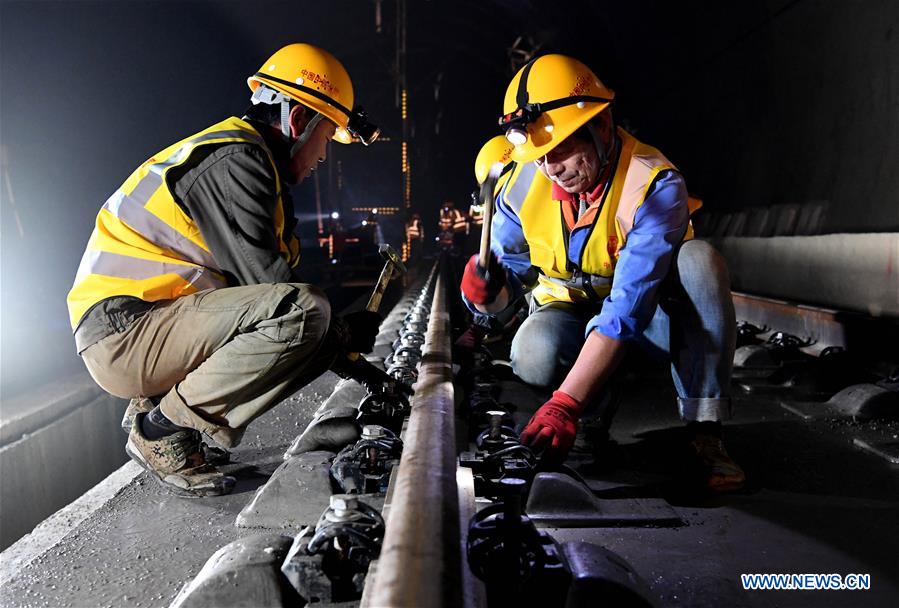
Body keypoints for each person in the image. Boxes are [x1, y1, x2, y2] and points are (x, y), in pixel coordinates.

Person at [67, 43, 386, 497]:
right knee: (307, 312)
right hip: (125, 333)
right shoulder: (236, 161)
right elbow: (278, 296)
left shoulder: (257, 172)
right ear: (298, 122)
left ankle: (166, 414)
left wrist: (360, 366)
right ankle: (161, 431)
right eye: (326, 137)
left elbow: (267, 312)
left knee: (310, 323)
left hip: (146, 328)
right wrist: (342, 336)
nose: (322, 157)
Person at [461, 54, 744, 491]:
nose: (551, 168)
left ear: (604, 127)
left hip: (652, 321)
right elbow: (504, 295)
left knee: (700, 262)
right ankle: (594, 421)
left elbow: (627, 308)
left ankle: (705, 433)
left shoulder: (653, 183)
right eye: (539, 155)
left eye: (562, 149)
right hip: (571, 315)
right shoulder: (520, 182)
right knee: (532, 350)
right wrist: (486, 291)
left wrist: (564, 404)